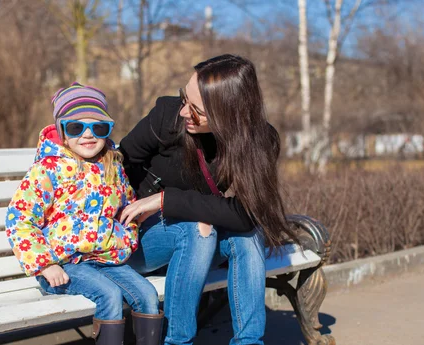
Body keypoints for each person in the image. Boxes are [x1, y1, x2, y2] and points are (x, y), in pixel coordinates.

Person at [118, 54, 297, 345]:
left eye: (197, 110)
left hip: (197, 245)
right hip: (141, 240)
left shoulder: (260, 140)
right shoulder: (168, 117)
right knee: (197, 229)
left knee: (247, 235)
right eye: (184, 99)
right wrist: (140, 205)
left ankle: (249, 342)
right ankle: (178, 341)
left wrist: (168, 200)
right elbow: (118, 164)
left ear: (230, 114)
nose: (185, 112)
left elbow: (246, 214)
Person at [5, 83, 162, 345]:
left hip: (105, 260)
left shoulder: (112, 167)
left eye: (98, 127)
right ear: (62, 132)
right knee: (109, 296)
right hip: (63, 265)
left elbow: (128, 210)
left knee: (146, 295)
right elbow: (20, 219)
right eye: (76, 127)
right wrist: (45, 264)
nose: (88, 135)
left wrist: (125, 237)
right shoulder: (48, 169)